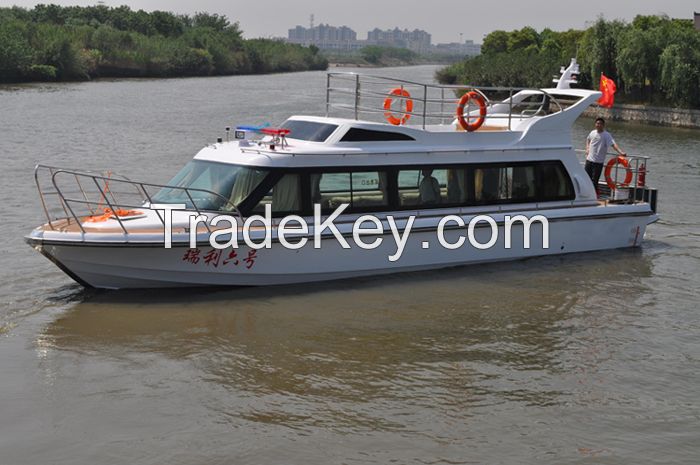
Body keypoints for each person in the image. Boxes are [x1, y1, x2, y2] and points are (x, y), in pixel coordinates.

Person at [585, 117, 626, 191]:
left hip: (598, 162)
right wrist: (587, 148)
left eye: (600, 124)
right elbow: (588, 139)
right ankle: (586, 195)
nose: (598, 125)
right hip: (589, 160)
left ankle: (594, 197)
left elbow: (613, 145)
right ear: (595, 124)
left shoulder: (606, 135)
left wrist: (621, 152)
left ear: (603, 125)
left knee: (595, 181)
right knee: (586, 179)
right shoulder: (592, 132)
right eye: (597, 123)